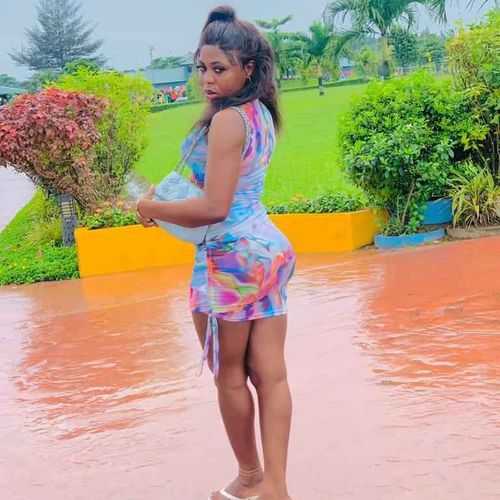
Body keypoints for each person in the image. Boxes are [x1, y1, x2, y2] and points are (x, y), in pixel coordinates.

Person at [135, 6, 296, 500]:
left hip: (230, 260)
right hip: (267, 250)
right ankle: (276, 486)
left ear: (248, 69)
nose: (207, 78)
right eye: (201, 67)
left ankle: (250, 478)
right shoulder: (260, 112)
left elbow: (213, 207)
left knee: (229, 377)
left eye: (219, 68)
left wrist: (151, 207)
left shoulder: (228, 120)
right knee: (271, 374)